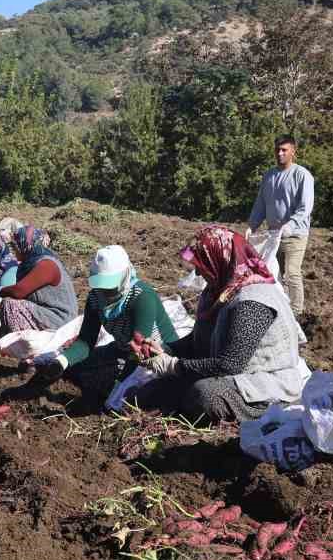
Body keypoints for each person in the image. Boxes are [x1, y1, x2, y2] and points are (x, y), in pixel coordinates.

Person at [129, 226, 310, 421]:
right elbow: (197, 341)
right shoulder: (219, 292)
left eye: (202, 263)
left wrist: (173, 366)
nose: (198, 272)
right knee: (147, 394)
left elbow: (230, 364)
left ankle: (266, 414)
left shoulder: (253, 301)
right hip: (228, 376)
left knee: (204, 395)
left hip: (263, 383)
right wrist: (164, 350)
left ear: (220, 258)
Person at [26, 245, 173, 401]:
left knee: (120, 398)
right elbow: (85, 341)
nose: (104, 291)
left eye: (109, 285)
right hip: (123, 350)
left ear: (125, 275)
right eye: (101, 285)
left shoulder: (142, 297)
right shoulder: (96, 298)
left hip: (157, 356)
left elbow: (140, 349)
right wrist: (61, 362)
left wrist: (119, 386)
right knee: (74, 369)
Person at [247, 135, 314, 312]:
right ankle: (282, 309)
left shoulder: (302, 175)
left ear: (293, 151)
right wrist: (252, 225)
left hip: (295, 235)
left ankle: (297, 312)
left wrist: (289, 225)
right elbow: (261, 203)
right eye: (277, 149)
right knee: (275, 275)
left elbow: (305, 207)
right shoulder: (269, 175)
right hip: (273, 235)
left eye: (284, 150)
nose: (280, 153)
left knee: (292, 273)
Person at [0, 226, 79, 335]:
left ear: (25, 245)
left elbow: (19, 291)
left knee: (11, 306)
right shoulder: (29, 264)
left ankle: (17, 345)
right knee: (9, 305)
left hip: (60, 320)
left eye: (15, 246)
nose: (14, 250)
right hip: (47, 314)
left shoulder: (47, 264)